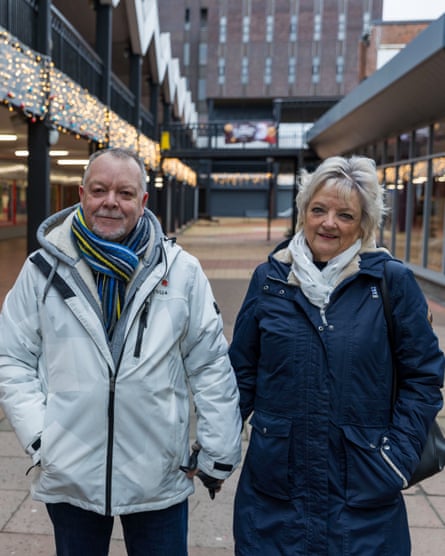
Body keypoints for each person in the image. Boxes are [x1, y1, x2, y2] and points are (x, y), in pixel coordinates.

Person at [0, 147, 242, 555]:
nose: (110, 201)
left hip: (157, 474)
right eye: (99, 190)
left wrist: (219, 450)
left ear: (143, 201)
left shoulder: (180, 272)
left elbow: (210, 364)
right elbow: (13, 358)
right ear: (81, 194)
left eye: (125, 193)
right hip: (72, 472)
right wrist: (43, 440)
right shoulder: (42, 270)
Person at [229, 155, 444, 555]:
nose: (328, 223)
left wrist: (396, 458)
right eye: (319, 210)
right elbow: (241, 374)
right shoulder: (270, 280)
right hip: (275, 492)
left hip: (363, 495)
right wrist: (214, 450)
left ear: (363, 224)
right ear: (303, 213)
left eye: (345, 215)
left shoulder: (391, 282)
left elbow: (424, 378)